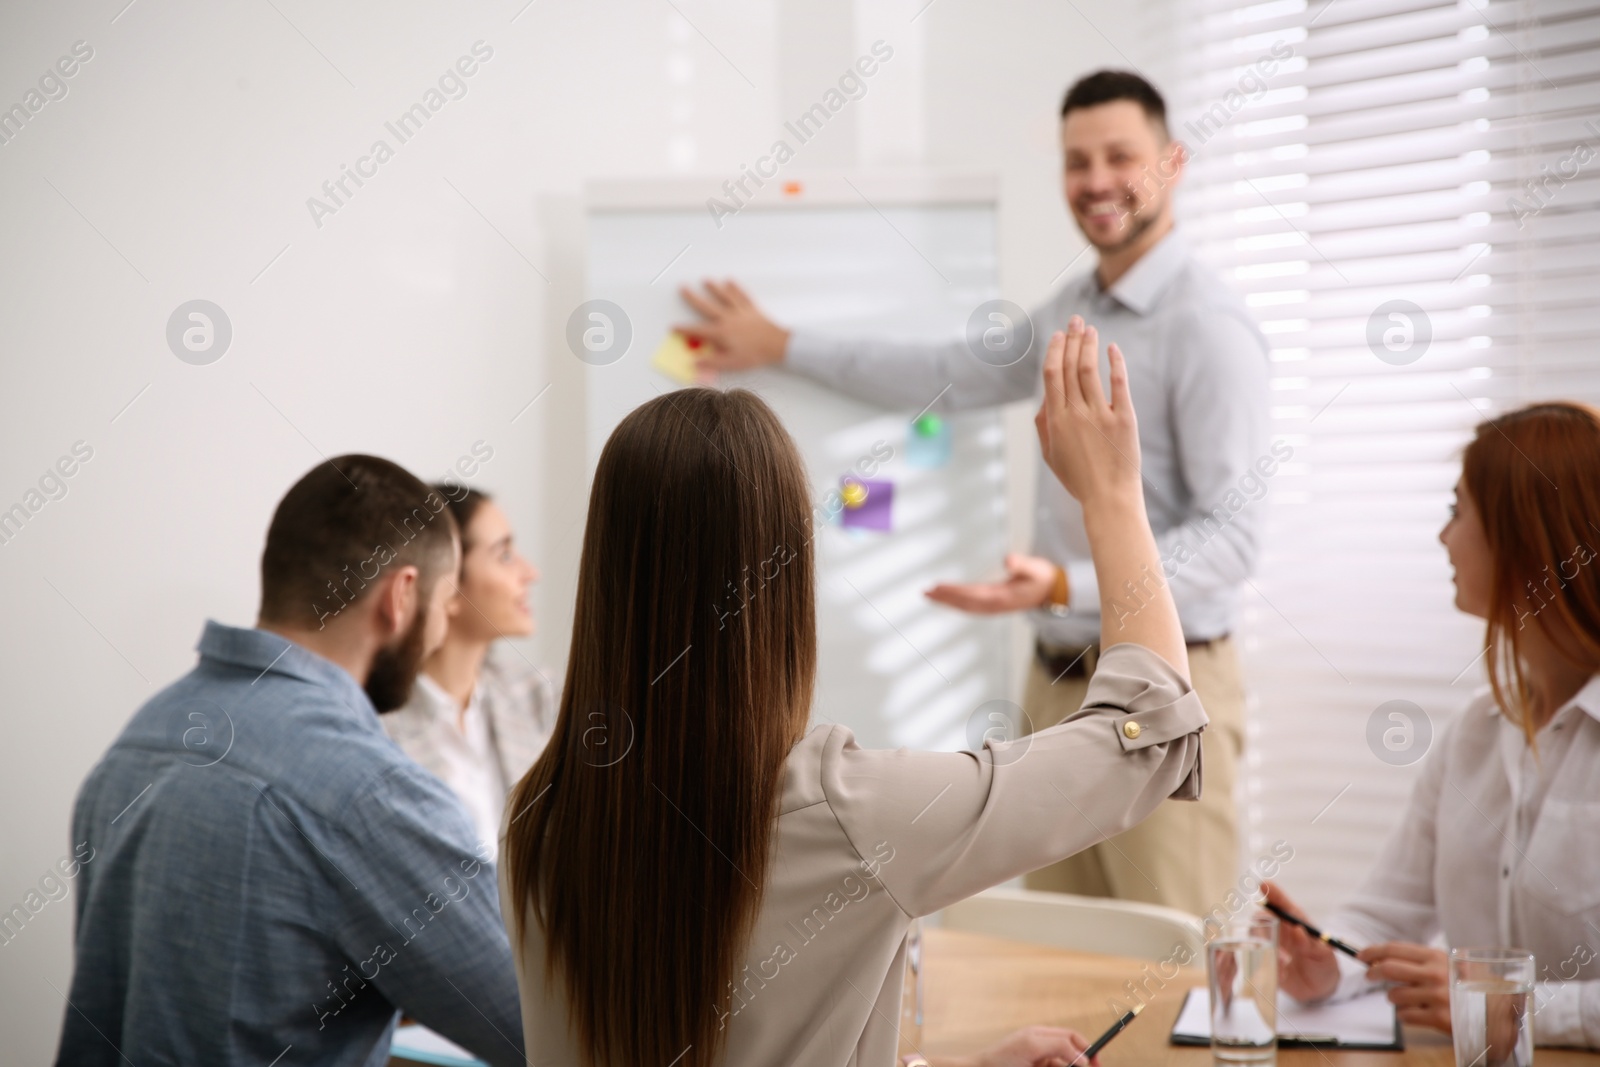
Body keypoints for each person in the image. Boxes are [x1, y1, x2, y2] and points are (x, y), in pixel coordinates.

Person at [500, 322, 1209, 1067]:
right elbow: (1145, 736)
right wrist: (1113, 497)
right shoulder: (848, 815)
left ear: (605, 577)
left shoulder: (535, 819)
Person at [677, 69, 1269, 916]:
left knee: (1175, 963)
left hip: (1167, 695)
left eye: (1119, 157)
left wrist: (1067, 583)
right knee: (1064, 956)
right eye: (1076, 161)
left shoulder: (1209, 328)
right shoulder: (1074, 307)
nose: (1096, 181)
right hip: (1057, 691)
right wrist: (781, 343)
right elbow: (944, 375)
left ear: (1171, 165)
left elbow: (1234, 541)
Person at [55, 457, 525, 1067]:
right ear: (402, 595)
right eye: (440, 602)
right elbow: (534, 1027)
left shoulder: (142, 737)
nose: (437, 635)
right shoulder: (371, 793)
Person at [1264, 402, 1600, 1050]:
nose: (1444, 537)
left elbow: (1508, 1004)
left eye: (1458, 511)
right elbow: (1385, 911)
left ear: (1524, 538)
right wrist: (1329, 959)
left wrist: (1517, 1008)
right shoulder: (1474, 731)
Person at [383, 485, 556, 861]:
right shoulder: (377, 728)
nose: (530, 573)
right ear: (446, 579)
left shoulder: (541, 698)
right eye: (505, 555)